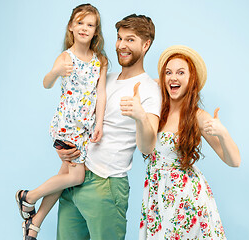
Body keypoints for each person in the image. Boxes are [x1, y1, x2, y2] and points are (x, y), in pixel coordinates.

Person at [55, 14, 161, 240]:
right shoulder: (105, 76)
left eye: (130, 40)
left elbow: (148, 146)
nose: (121, 45)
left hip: (106, 185)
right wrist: (65, 149)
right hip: (76, 177)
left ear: (146, 44)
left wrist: (140, 116)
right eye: (119, 38)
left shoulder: (150, 89)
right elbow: (76, 115)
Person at [15, 4, 107, 240]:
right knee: (76, 177)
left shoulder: (100, 61)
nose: (84, 28)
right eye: (80, 23)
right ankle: (29, 196)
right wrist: (56, 71)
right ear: (71, 27)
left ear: (96, 30)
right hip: (67, 125)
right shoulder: (66, 57)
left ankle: (34, 223)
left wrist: (99, 124)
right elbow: (46, 83)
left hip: (85, 129)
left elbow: (102, 93)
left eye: (90, 24)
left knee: (64, 175)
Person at [139, 45, 241, 239]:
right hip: (156, 196)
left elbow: (234, 161)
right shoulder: (157, 109)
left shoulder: (197, 116)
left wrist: (223, 133)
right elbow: (145, 84)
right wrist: (163, 81)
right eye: (168, 72)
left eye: (180, 72)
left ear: (191, 79)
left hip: (186, 201)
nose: (173, 77)